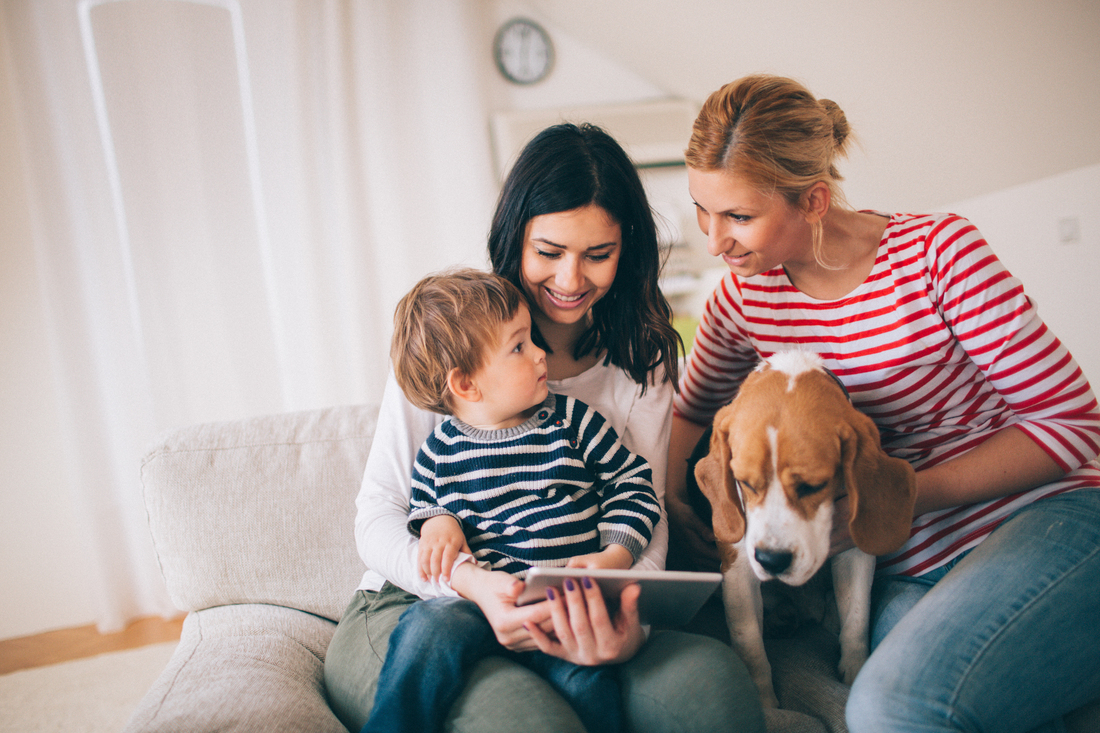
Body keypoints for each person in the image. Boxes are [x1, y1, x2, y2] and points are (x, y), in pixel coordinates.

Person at [665, 74, 1100, 733]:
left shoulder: (939, 255)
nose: (715, 241)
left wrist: (898, 497)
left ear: (812, 199)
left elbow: (1073, 425)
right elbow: (692, 410)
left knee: (893, 707)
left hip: (1040, 520)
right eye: (703, 209)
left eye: (739, 217)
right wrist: (670, 502)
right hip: (904, 560)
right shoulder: (741, 301)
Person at [323, 122, 765, 733]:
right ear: (516, 238)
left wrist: (623, 622)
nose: (570, 280)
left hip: (580, 598)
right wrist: (469, 584)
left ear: (627, 249)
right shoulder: (455, 332)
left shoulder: (644, 358)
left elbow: (642, 505)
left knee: (712, 696)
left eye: (598, 255)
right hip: (428, 603)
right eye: (549, 252)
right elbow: (383, 514)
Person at [363, 268, 662, 733]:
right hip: (480, 604)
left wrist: (615, 555)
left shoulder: (573, 422)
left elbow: (632, 485)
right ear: (466, 385)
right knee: (424, 631)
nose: (541, 353)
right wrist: (440, 524)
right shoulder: (439, 452)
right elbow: (423, 510)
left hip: (561, 604)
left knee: (591, 685)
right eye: (519, 347)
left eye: (532, 340)